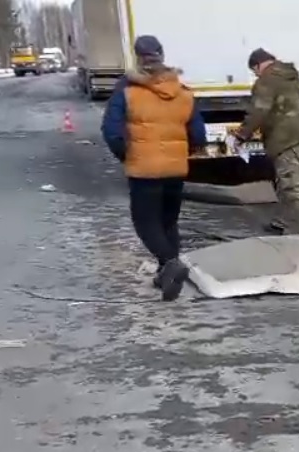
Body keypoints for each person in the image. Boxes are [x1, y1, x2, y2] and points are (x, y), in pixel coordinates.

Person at [101, 35, 207, 301]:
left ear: (138, 57)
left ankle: (171, 262)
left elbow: (111, 131)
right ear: (161, 55)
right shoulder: (182, 91)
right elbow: (198, 135)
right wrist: (183, 154)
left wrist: (126, 155)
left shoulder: (126, 90)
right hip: (175, 170)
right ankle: (165, 275)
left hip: (144, 170)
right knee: (168, 221)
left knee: (145, 222)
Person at [232, 48, 299, 234]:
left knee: (293, 186)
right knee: (284, 183)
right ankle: (281, 222)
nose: (255, 74)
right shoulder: (289, 76)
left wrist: (242, 135)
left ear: (258, 65)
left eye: (254, 70)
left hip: (285, 140)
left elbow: (259, 110)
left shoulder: (266, 80)